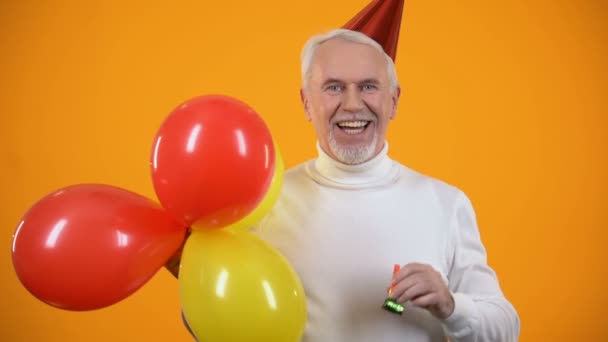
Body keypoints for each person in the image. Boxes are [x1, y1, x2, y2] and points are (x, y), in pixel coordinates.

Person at [245, 28, 520, 341]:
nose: (352, 104)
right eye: (334, 87)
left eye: (368, 86)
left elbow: (505, 330)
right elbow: (220, 322)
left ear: (394, 100)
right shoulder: (264, 204)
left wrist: (451, 305)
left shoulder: (446, 204)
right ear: (307, 102)